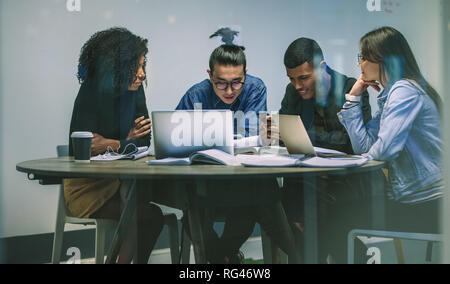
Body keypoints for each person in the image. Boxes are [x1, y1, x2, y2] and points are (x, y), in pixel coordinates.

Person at [176, 31, 298, 264]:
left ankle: (224, 256)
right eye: (221, 83)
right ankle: (226, 257)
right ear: (209, 75)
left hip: (243, 180)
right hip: (205, 182)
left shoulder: (255, 88)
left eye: (236, 83)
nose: (230, 91)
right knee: (192, 209)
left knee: (259, 196)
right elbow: (174, 139)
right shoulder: (195, 95)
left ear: (246, 74)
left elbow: (252, 136)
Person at [260, 37, 382, 263]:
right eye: (292, 78)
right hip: (306, 187)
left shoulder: (350, 89)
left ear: (321, 67)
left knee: (315, 228)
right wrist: (271, 133)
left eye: (304, 77)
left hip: (345, 184)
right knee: (274, 205)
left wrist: (297, 134)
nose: (298, 85)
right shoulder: (293, 92)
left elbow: (350, 143)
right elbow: (284, 137)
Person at [65, 27, 164, 264]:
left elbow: (143, 141)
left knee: (149, 213)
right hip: (87, 187)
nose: (142, 74)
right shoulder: (91, 89)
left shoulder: (136, 92)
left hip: (122, 182)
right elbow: (85, 146)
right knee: (144, 216)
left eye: (143, 66)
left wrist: (112, 143)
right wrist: (125, 142)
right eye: (136, 67)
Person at [338, 26, 443, 235]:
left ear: (383, 59)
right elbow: (365, 147)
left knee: (342, 218)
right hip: (415, 197)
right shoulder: (393, 94)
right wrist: (353, 98)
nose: (360, 64)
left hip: (429, 201)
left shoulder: (404, 91)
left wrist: (358, 160)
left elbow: (384, 151)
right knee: (340, 215)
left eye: (363, 57)